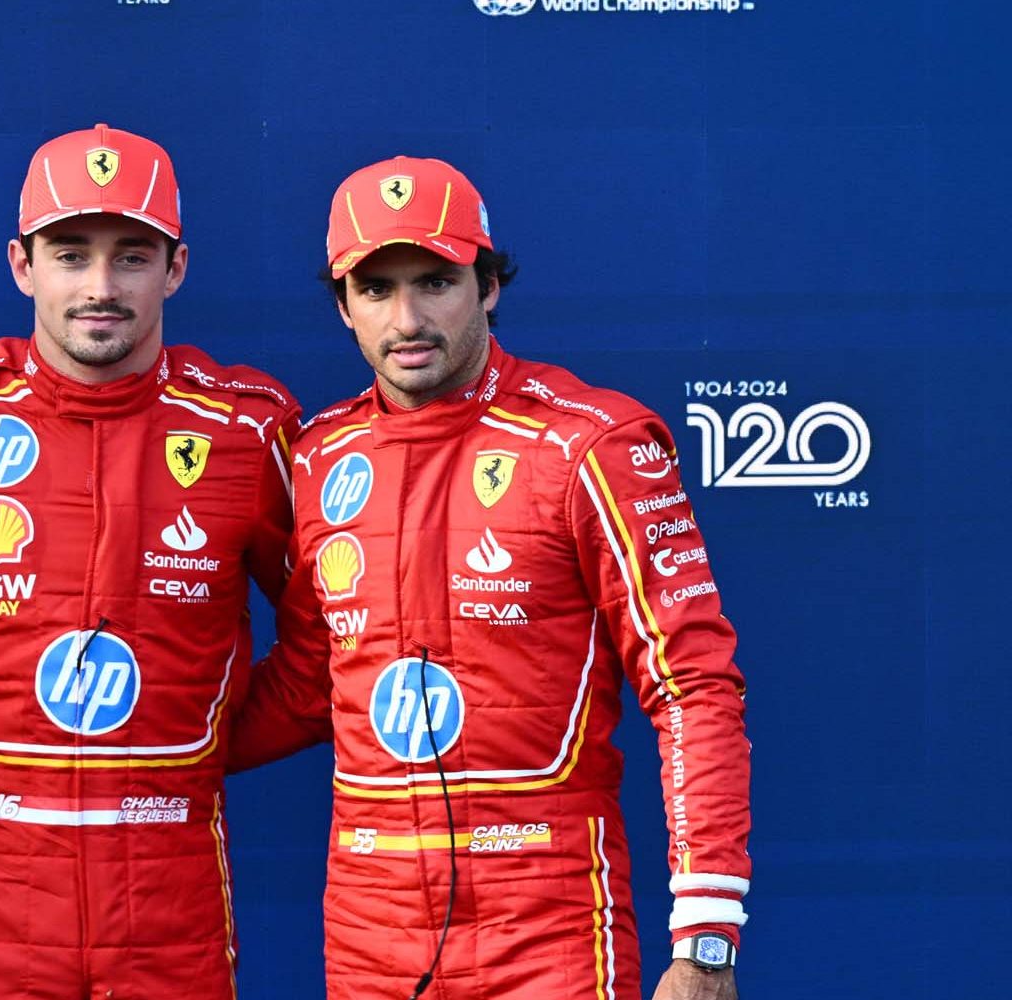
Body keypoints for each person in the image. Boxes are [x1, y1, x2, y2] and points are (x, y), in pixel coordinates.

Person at [232, 156, 751, 1000]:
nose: (407, 318)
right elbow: (306, 684)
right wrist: (128, 754)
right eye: (377, 288)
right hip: (369, 930)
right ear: (343, 306)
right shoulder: (320, 456)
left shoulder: (593, 443)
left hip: (548, 926)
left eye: (436, 280)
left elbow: (691, 684)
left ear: (488, 285)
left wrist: (704, 940)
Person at [0, 124, 304, 999]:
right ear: (22, 265)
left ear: (175, 268)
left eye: (131, 257)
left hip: (172, 904)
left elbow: (333, 643)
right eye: (70, 254)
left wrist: (192, 748)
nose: (100, 288)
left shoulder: (248, 432)